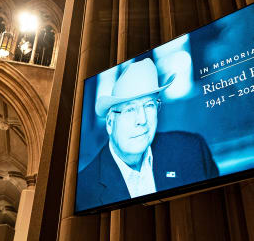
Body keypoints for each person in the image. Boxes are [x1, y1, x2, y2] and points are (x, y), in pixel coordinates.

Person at [76, 58, 219, 212]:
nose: (142, 120)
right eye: (130, 109)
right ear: (110, 123)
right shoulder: (83, 192)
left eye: (149, 105)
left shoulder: (192, 151)